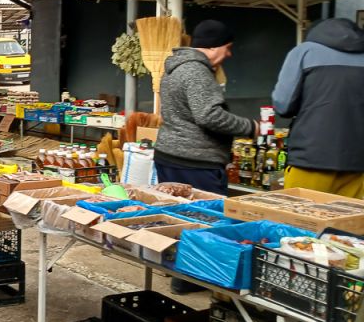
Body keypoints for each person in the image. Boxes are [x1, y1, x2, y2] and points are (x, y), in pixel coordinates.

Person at [155, 20, 256, 195]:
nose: (229, 54)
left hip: (170, 156)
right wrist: (251, 127)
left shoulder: (175, 68)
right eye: (228, 47)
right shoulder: (196, 71)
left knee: (179, 214)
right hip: (195, 163)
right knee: (208, 219)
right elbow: (209, 116)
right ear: (213, 46)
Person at [272, 17, 364, 198]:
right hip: (358, 163)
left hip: (310, 159)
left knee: (300, 222)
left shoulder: (303, 52)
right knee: (349, 224)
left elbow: (283, 105)